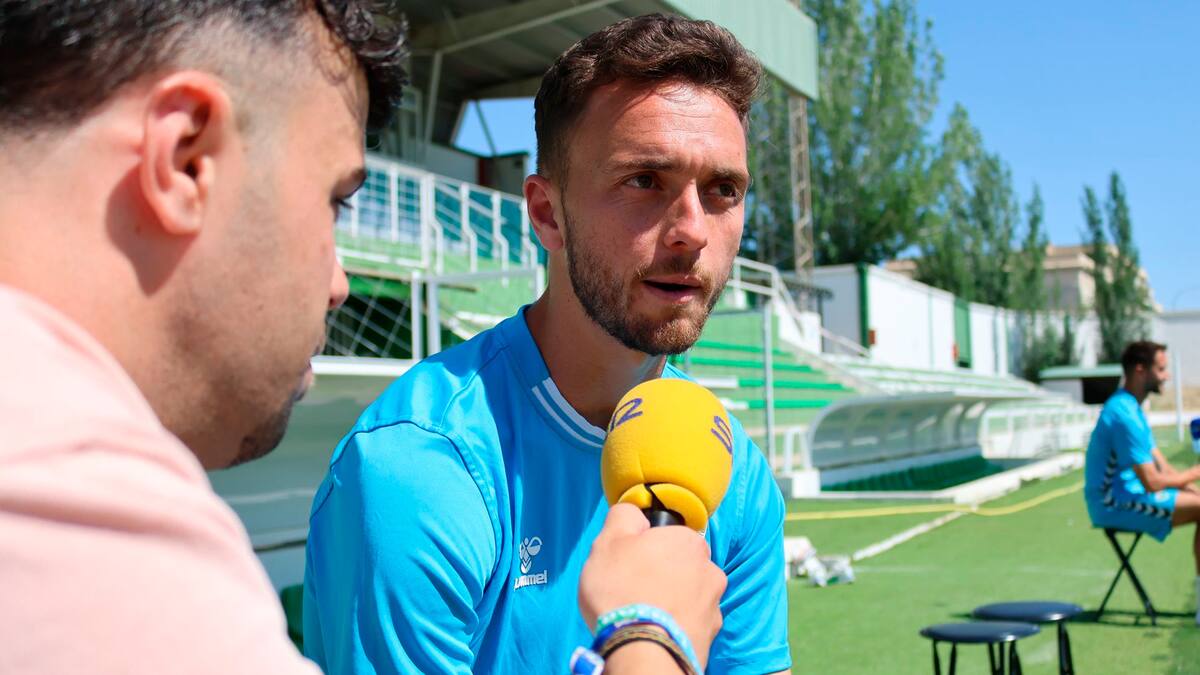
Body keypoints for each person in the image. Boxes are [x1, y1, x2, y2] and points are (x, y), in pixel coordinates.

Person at [0, 3, 723, 673]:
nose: (340, 280)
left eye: (724, 191)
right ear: (186, 157)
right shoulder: (76, 533)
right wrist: (646, 636)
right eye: (335, 200)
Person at [304, 13, 791, 675]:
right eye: (645, 180)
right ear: (544, 213)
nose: (691, 231)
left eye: (722, 191)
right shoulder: (420, 464)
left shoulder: (734, 473)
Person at [1084, 340, 1200, 623]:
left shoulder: (1131, 407)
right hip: (1113, 504)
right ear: (1140, 370)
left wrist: (1191, 488)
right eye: (1161, 369)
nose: (1167, 376)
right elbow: (1152, 483)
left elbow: (1164, 469)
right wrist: (1196, 472)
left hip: (1129, 495)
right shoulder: (1123, 414)